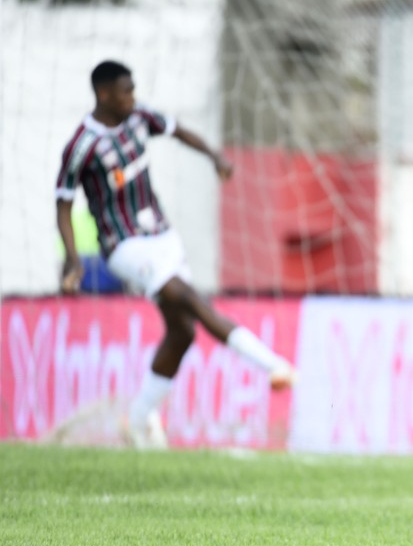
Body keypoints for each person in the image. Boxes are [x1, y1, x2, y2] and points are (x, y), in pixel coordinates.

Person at [55, 60, 296, 448]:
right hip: (123, 246)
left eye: (133, 89)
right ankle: (274, 365)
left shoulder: (139, 118)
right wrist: (73, 258)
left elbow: (178, 131)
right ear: (104, 94)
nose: (132, 97)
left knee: (182, 331)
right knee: (188, 296)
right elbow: (63, 203)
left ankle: (136, 421)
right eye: (125, 90)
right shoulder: (83, 145)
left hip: (163, 235)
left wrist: (214, 156)